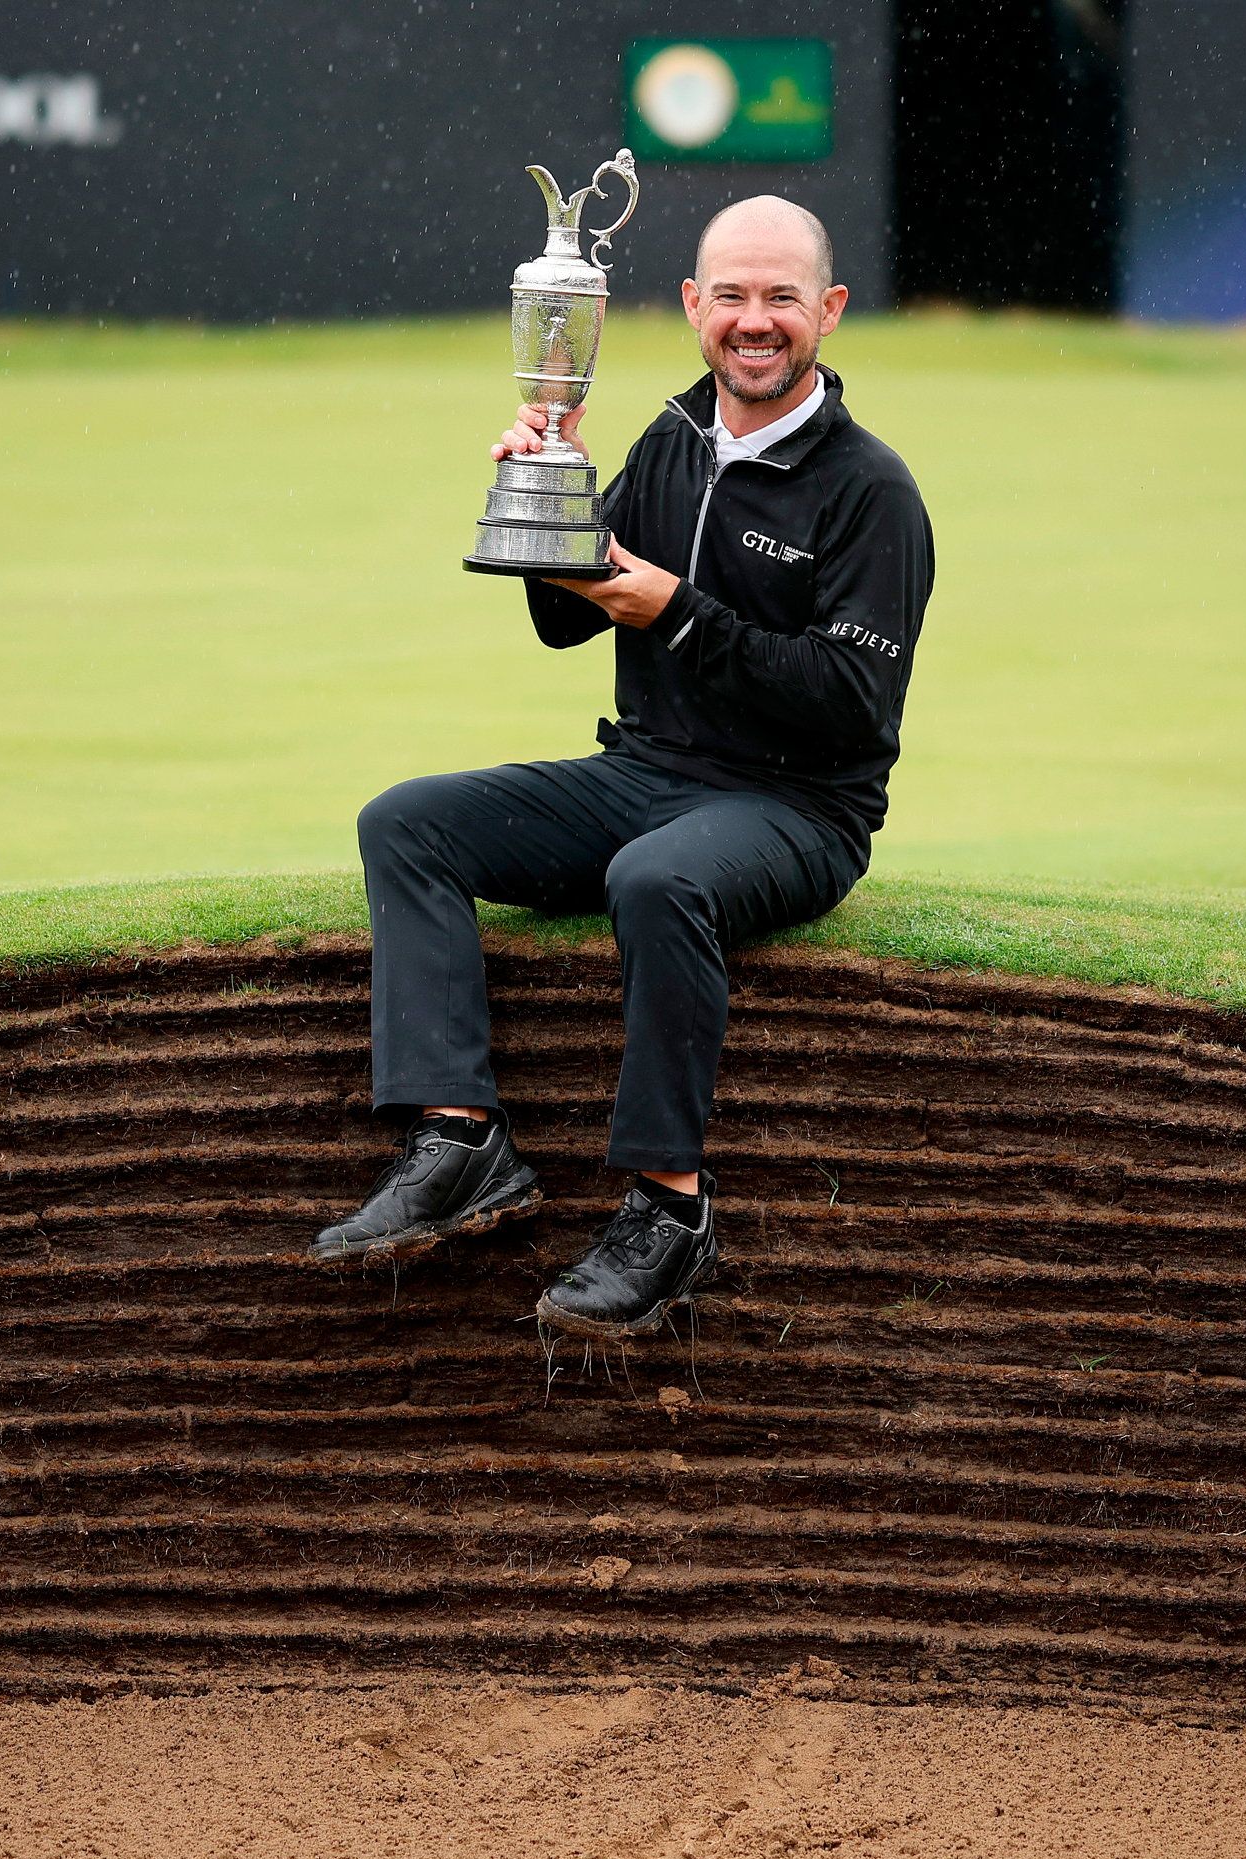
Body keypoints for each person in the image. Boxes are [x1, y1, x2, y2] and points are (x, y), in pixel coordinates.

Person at [311, 194, 936, 1339]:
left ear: (829, 312)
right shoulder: (669, 443)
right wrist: (544, 495)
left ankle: (668, 1209)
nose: (756, 321)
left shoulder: (869, 489)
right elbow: (568, 625)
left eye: (781, 298)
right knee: (405, 822)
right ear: (694, 308)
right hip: (644, 771)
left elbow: (853, 704)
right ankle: (459, 1141)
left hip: (797, 806)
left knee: (657, 878)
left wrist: (679, 613)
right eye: (733, 297)